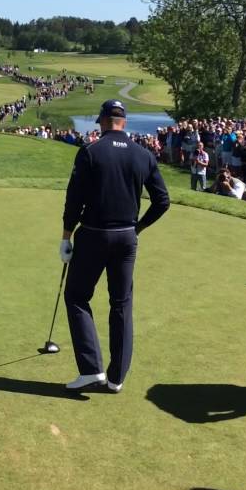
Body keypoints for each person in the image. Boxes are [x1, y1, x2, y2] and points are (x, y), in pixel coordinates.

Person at [59, 99, 170, 393]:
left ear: (104, 120)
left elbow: (74, 200)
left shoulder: (90, 151)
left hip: (93, 235)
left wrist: (66, 236)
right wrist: (139, 228)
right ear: (123, 121)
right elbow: (162, 201)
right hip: (126, 238)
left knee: (77, 296)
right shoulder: (143, 155)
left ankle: (91, 369)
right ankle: (116, 377)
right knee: (121, 304)